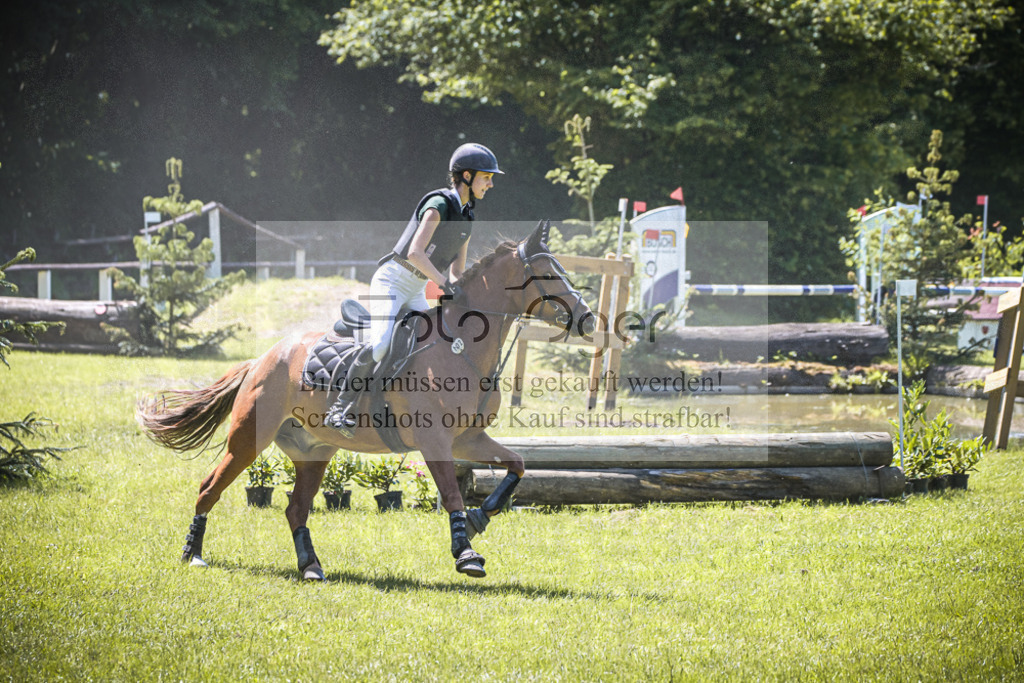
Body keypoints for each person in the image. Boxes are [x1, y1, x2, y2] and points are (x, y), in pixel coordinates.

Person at [325, 143, 503, 435]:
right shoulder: (439, 205)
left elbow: (457, 270)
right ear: (468, 176)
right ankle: (340, 407)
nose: (491, 183)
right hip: (393, 280)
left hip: (418, 287)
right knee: (380, 345)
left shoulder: (467, 217)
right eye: (487, 177)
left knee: (439, 342)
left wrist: (471, 293)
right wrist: (444, 284)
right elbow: (415, 254)